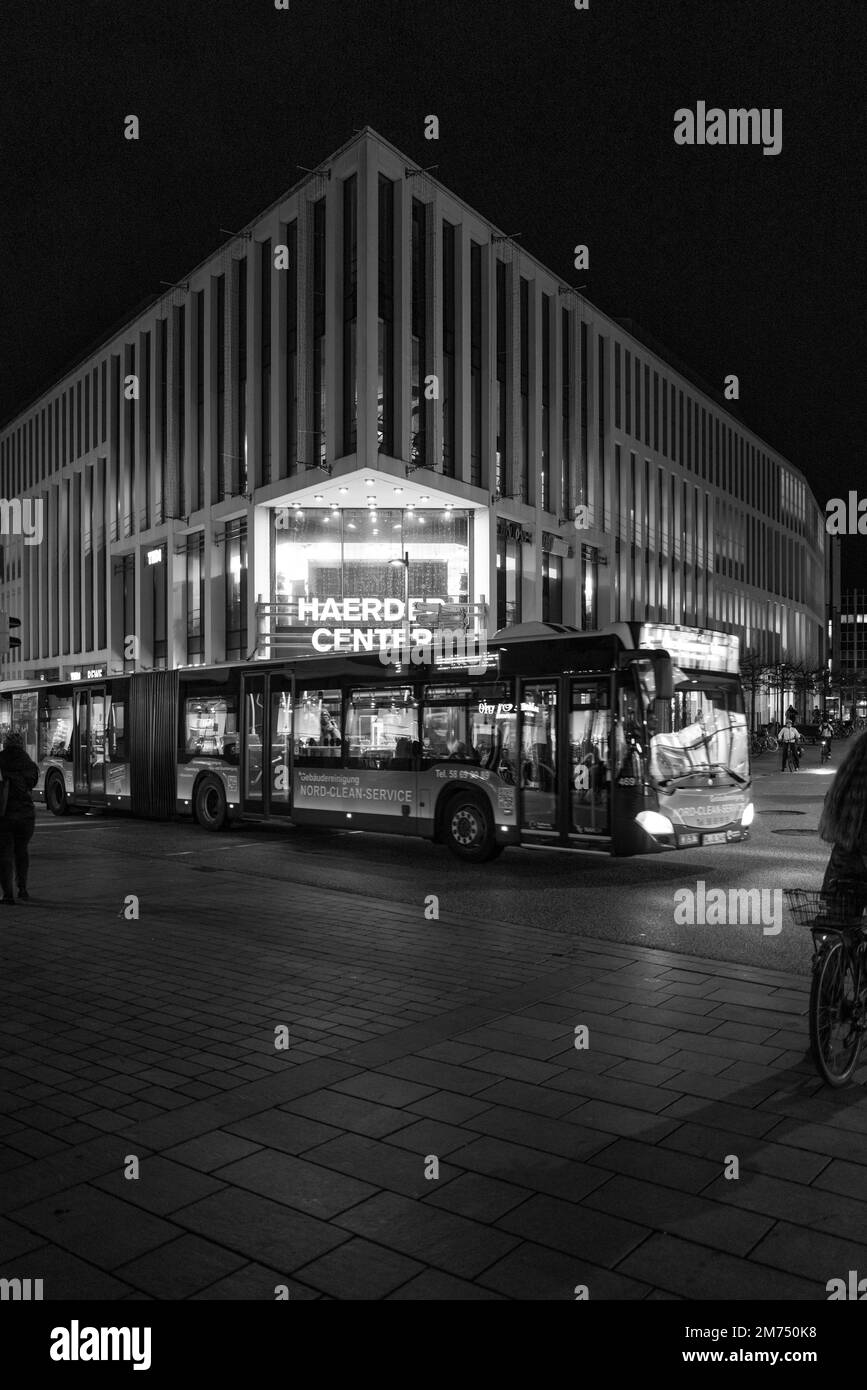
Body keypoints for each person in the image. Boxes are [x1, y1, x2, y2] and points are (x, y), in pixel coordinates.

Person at [818, 731, 867, 914]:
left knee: (840, 930)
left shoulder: (843, 784)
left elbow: (828, 830)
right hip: (857, 865)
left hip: (841, 870)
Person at [0, 729, 39, 905]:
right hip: (26, 815)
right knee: (21, 851)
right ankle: (22, 889)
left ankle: (8, 894)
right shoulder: (29, 763)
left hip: (5, 815)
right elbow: (32, 784)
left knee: (5, 855)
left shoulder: (1, 760)